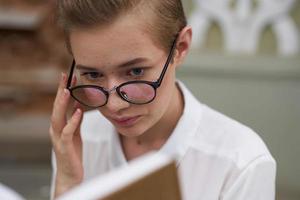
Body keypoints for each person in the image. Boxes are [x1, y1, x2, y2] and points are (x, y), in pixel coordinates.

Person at [49, 0, 276, 199]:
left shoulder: (240, 163)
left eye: (136, 72)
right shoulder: (80, 141)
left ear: (181, 47)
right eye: (93, 75)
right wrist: (68, 185)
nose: (114, 105)